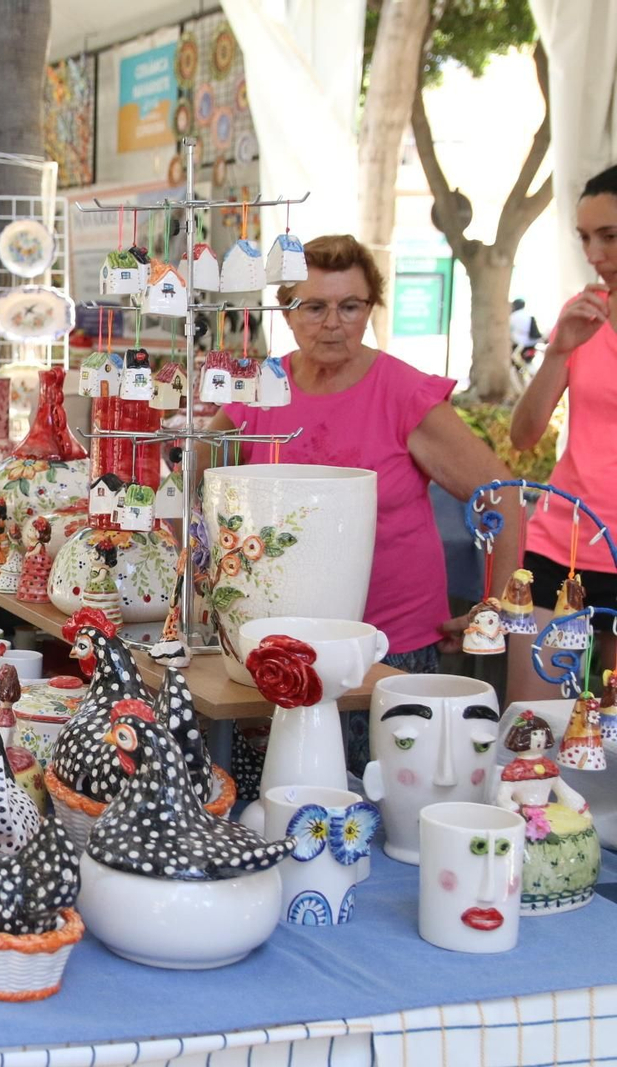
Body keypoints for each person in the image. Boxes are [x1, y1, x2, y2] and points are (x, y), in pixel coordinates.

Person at [204, 234, 520, 673]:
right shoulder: (261, 388)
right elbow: (192, 482)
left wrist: (497, 607)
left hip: (387, 644)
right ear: (286, 314)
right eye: (314, 308)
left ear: (369, 310)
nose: (333, 323)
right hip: (270, 639)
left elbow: (502, 495)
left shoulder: (404, 393)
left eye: (351, 306)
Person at [508, 163, 617, 701]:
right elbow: (523, 436)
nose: (594, 255)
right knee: (533, 728)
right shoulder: (581, 318)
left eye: (609, 237)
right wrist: (558, 352)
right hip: (563, 546)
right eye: (585, 238)